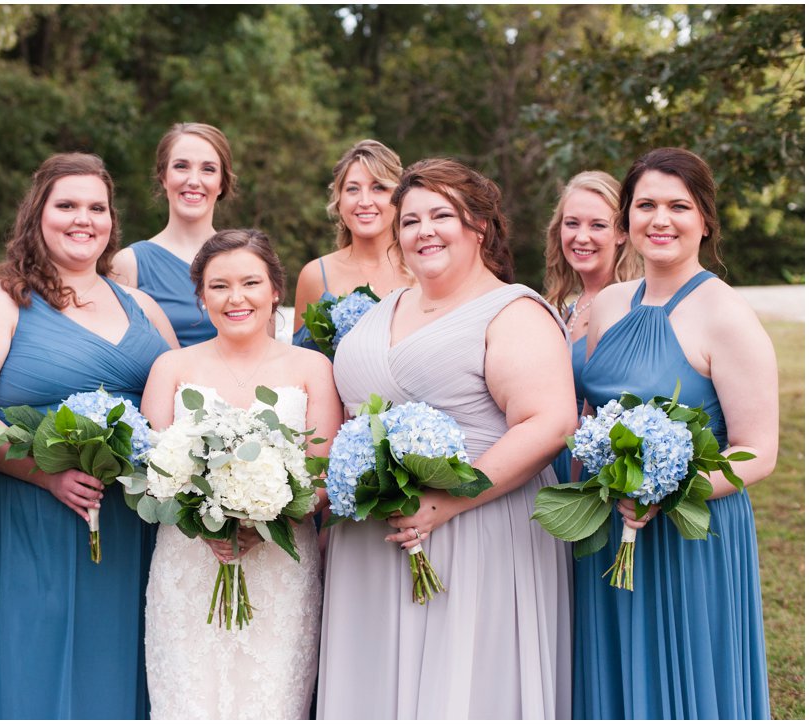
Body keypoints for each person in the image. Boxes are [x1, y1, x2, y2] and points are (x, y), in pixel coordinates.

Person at [318, 158, 577, 718]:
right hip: (371, 542)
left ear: (479, 226)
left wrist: (446, 503)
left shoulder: (512, 311)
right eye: (410, 221)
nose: (423, 231)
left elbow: (550, 423)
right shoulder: (381, 310)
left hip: (475, 529)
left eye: (442, 215)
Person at [0, 153, 176, 719]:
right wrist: (43, 473)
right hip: (27, 513)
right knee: (31, 661)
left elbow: (184, 395)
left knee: (119, 659)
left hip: (125, 521)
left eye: (96, 207)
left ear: (112, 221)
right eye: (66, 205)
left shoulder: (140, 305)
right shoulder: (1, 302)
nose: (82, 219)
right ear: (36, 215)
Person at [575, 147, 776, 719]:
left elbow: (758, 451)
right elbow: (596, 414)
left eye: (678, 206)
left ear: (705, 219)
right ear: (627, 219)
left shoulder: (725, 314)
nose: (660, 219)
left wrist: (668, 492)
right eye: (646, 205)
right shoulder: (610, 304)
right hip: (611, 527)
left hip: (691, 532)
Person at [140, 229, 342, 719]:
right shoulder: (171, 367)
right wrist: (200, 519)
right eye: (219, 286)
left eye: (251, 283)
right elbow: (150, 470)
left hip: (280, 570)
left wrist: (260, 522)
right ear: (201, 296)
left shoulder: (313, 368)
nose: (236, 298)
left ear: (275, 289)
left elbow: (321, 477)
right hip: (188, 567)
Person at [542, 170, 641, 482]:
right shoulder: (566, 307)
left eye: (597, 225)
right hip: (546, 462)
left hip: (594, 472)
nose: (581, 237)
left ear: (622, 233)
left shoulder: (632, 307)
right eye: (572, 223)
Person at [109, 122, 237, 346]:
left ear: (222, 183)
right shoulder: (129, 264)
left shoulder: (248, 260)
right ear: (163, 177)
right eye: (181, 166)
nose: (194, 181)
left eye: (208, 169)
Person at [292, 139, 413, 348]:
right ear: (339, 201)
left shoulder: (422, 269)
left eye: (378, 188)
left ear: (398, 199)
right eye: (353, 189)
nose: (365, 201)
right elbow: (301, 363)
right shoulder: (315, 274)